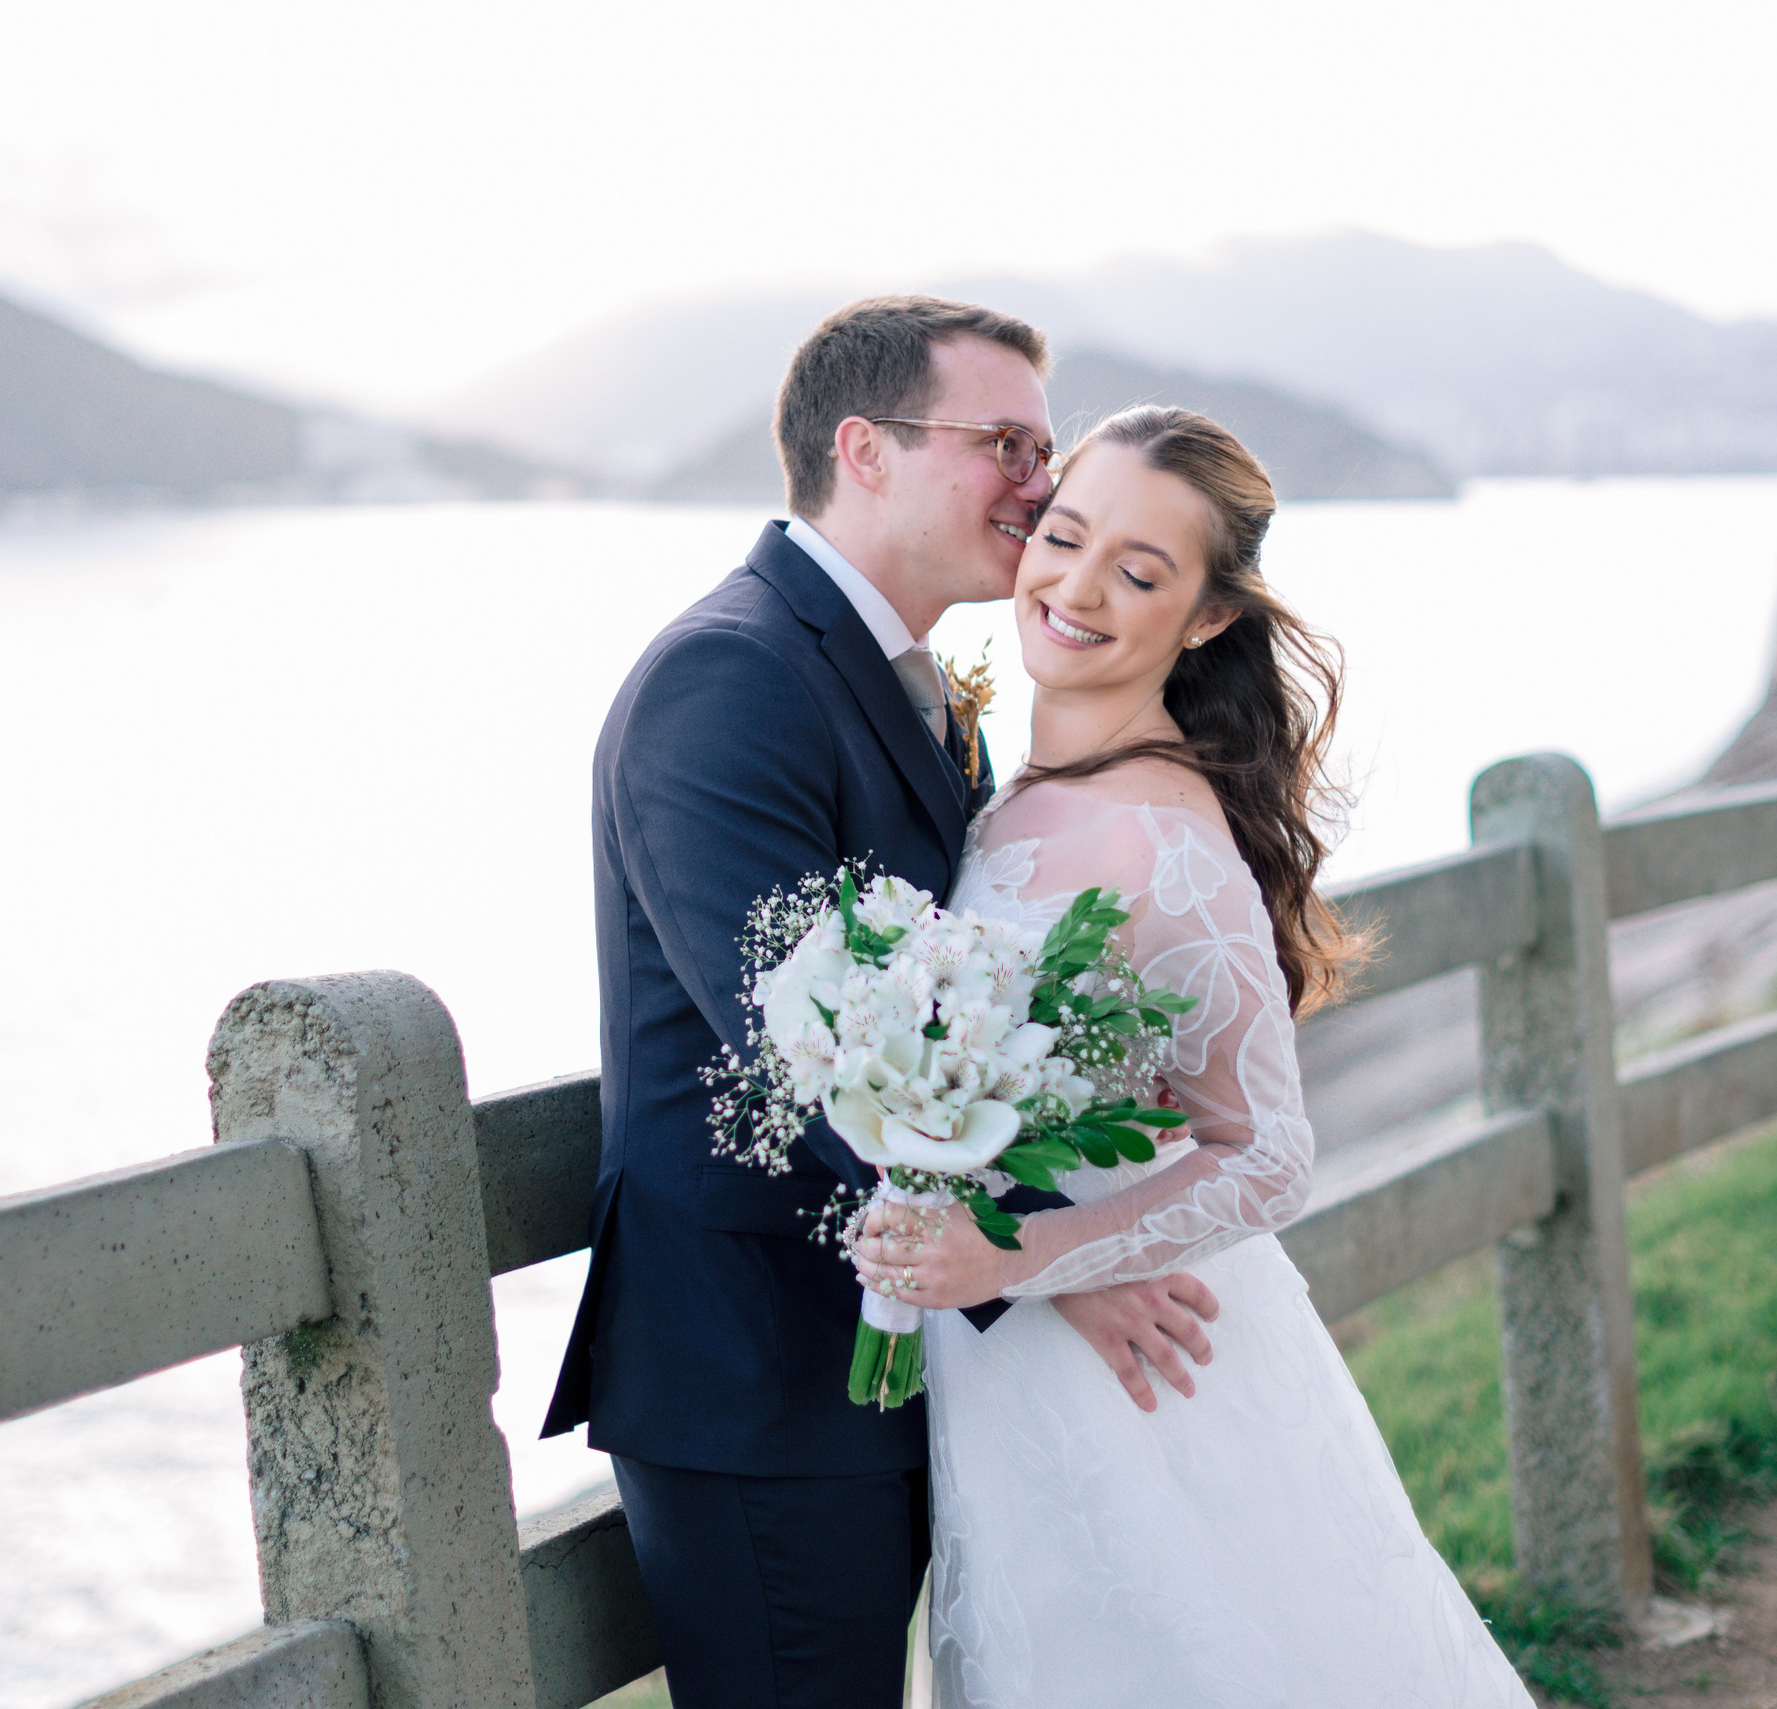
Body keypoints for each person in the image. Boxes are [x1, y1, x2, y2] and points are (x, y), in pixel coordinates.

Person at [544, 298, 1225, 1709]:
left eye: (1044, 445)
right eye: (1006, 443)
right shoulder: (727, 676)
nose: (1041, 486)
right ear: (862, 448)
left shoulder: (916, 687)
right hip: (759, 1369)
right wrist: (1050, 1259)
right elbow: (799, 1045)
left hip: (887, 1353)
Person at [853, 407, 1532, 1707]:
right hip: (1023, 1369)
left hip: (1140, 1368)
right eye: (1065, 534)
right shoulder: (1020, 791)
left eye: (1142, 572)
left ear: (1210, 617)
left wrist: (1018, 1258)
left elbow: (1270, 1155)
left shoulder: (1164, 838)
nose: (1077, 585)